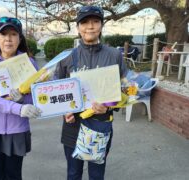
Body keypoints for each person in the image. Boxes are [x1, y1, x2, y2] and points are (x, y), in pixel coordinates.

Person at [55, 6, 128, 180]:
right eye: (85, 22)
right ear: (78, 27)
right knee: (73, 173)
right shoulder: (67, 57)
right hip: (73, 126)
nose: (90, 26)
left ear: (101, 26)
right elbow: (57, 91)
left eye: (95, 21)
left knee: (97, 175)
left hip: (100, 125)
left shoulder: (114, 55)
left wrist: (109, 108)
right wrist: (65, 111)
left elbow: (125, 89)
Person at [0, 16, 42, 180]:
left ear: (20, 39)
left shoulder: (29, 63)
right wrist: (19, 108)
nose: (8, 39)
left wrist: (22, 100)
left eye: (13, 34)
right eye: (3, 34)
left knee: (14, 175)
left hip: (17, 129)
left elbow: (35, 97)